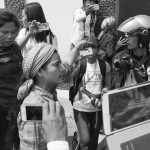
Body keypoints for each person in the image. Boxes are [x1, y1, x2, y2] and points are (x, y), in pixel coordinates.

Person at [16, 40, 90, 150]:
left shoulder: (48, 92)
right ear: (40, 71)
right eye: (57, 64)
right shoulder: (34, 107)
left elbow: (67, 65)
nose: (62, 68)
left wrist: (77, 48)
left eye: (60, 63)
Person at [68, 35, 111, 150]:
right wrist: (76, 53)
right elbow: (69, 75)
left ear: (98, 49)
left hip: (97, 108)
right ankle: (77, 140)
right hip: (80, 108)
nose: (91, 50)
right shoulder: (79, 64)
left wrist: (103, 92)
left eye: (94, 47)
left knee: (93, 140)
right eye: (87, 47)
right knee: (85, 140)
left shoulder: (104, 65)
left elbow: (108, 85)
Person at [0, 10, 22, 150]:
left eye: (14, 32)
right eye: (5, 32)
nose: (10, 36)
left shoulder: (14, 47)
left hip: (17, 104)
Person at [112, 15, 150, 89]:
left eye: (130, 35)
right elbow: (114, 85)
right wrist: (121, 73)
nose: (126, 39)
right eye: (126, 36)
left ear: (142, 37)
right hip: (125, 99)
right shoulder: (119, 57)